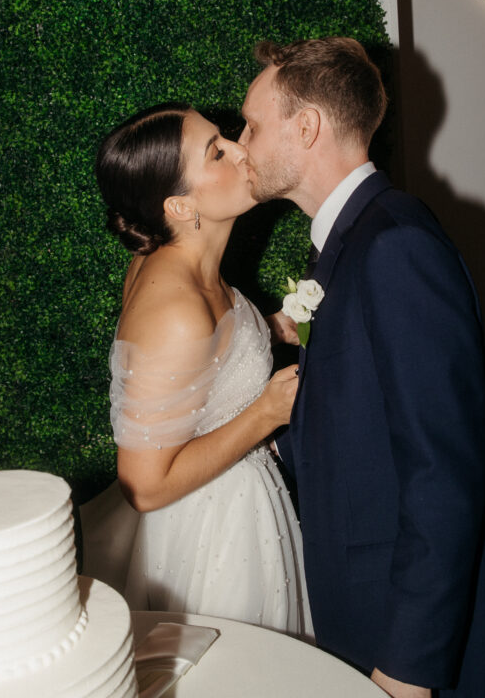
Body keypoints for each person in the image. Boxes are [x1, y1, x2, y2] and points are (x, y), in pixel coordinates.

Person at [239, 36, 485, 698]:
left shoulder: (394, 245)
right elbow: (370, 413)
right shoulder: (349, 240)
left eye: (252, 126)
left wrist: (409, 663)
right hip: (364, 591)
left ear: (306, 127)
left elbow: (444, 469)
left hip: (405, 629)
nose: (240, 142)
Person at [80, 101, 312, 640]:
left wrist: (268, 327)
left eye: (227, 138)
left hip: (238, 508)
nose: (239, 149)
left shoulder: (177, 257)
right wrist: (266, 413)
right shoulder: (176, 310)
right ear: (181, 207)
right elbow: (142, 486)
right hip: (215, 538)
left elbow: (198, 372)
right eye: (217, 151)